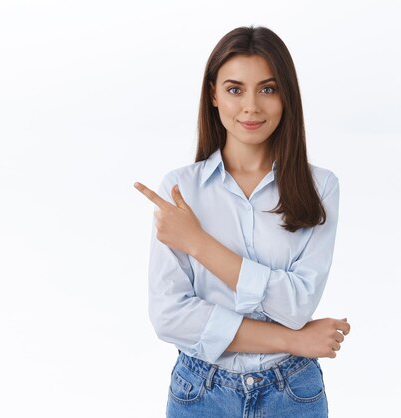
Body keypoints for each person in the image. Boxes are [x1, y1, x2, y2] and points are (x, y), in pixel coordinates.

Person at [134, 25, 351, 417]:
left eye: (267, 89)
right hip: (201, 392)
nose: (251, 106)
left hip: (292, 392)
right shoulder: (182, 188)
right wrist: (293, 339)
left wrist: (198, 244)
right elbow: (171, 317)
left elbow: (298, 304)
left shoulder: (320, 187)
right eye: (235, 89)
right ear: (213, 95)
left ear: (286, 96)